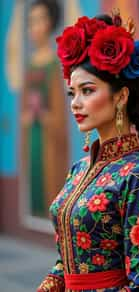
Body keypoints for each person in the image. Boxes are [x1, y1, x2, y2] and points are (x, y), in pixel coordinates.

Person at [37, 13, 139, 292]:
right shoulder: (79, 169)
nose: (76, 103)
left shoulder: (138, 178)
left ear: (120, 96)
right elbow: (67, 259)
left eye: (87, 91)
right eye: (72, 93)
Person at [20, 0, 68, 218]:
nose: (35, 27)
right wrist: (28, 116)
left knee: (50, 184)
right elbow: (24, 106)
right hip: (33, 135)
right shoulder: (30, 64)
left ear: (50, 23)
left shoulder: (53, 63)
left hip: (49, 137)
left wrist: (45, 116)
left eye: (40, 20)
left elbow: (60, 114)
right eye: (31, 22)